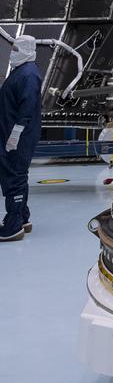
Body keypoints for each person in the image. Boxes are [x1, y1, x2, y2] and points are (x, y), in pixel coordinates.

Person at [0, 35, 42, 242]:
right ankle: (23, 218)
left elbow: (27, 106)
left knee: (13, 176)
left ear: (26, 49)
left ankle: (13, 225)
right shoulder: (22, 71)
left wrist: (15, 134)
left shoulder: (29, 75)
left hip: (18, 136)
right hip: (12, 133)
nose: (12, 52)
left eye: (16, 49)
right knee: (17, 174)